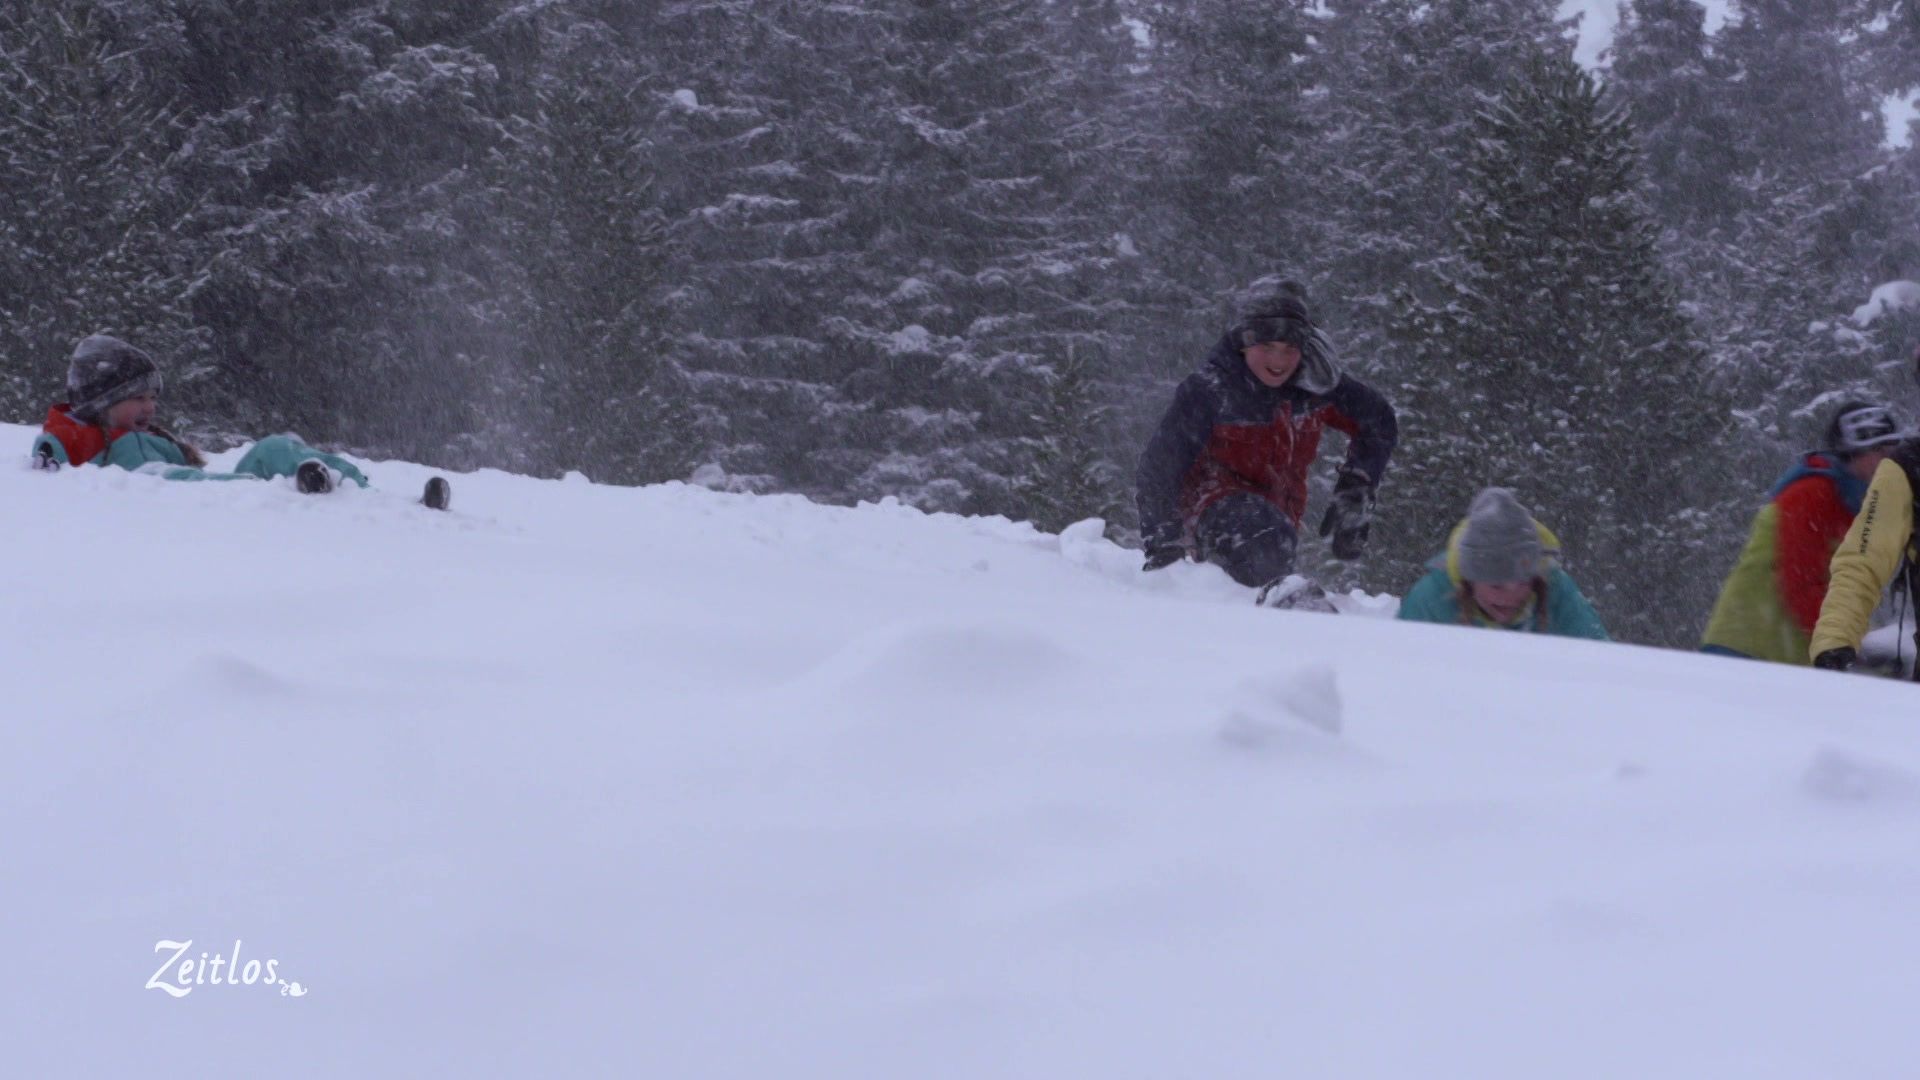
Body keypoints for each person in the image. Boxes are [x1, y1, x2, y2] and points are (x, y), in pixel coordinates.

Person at [1134, 279, 1397, 596]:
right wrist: (1164, 547)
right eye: (1267, 348)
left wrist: (1358, 484)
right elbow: (1160, 467)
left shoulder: (1314, 387)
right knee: (1263, 536)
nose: (1279, 361)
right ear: (1245, 343)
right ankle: (1274, 610)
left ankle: (1270, 621)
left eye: (1289, 350)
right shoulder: (1213, 389)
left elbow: (1377, 420)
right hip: (1211, 510)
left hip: (1277, 520)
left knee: (1270, 541)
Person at [31, 334, 451, 509]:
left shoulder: (155, 438)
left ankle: (361, 493)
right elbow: (52, 445)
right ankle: (279, 493)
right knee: (187, 480)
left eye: (153, 397)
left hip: (198, 482)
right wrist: (48, 455)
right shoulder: (86, 436)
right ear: (101, 402)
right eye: (136, 397)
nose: (149, 407)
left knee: (274, 447)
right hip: (164, 486)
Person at [1700, 401, 1908, 664]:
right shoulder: (1812, 494)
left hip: (1791, 654)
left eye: (1893, 449)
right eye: (1878, 450)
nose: (1889, 459)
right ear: (1851, 453)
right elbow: (1802, 585)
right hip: (1746, 649)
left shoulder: (1862, 504)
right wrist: (1854, 644)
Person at [1397, 487, 1608, 639]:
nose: (1510, 596)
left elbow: (1599, 659)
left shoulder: (1556, 591)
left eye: (1523, 583)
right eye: (1496, 585)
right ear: (1470, 580)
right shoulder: (1431, 600)